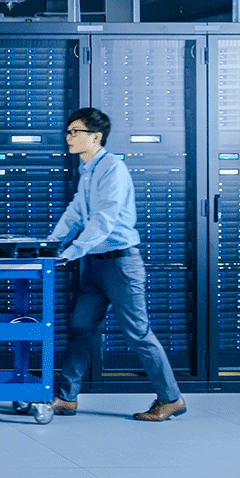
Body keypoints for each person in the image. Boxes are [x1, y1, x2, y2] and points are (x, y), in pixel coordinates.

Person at [47, 107, 185, 422]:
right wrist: (52, 244)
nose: (68, 137)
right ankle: (66, 398)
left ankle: (171, 398)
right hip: (95, 264)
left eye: (75, 132)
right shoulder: (87, 170)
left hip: (121, 264)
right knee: (81, 328)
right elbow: (76, 213)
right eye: (68, 131)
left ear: (95, 137)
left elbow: (104, 219)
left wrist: (71, 251)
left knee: (138, 332)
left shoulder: (112, 168)